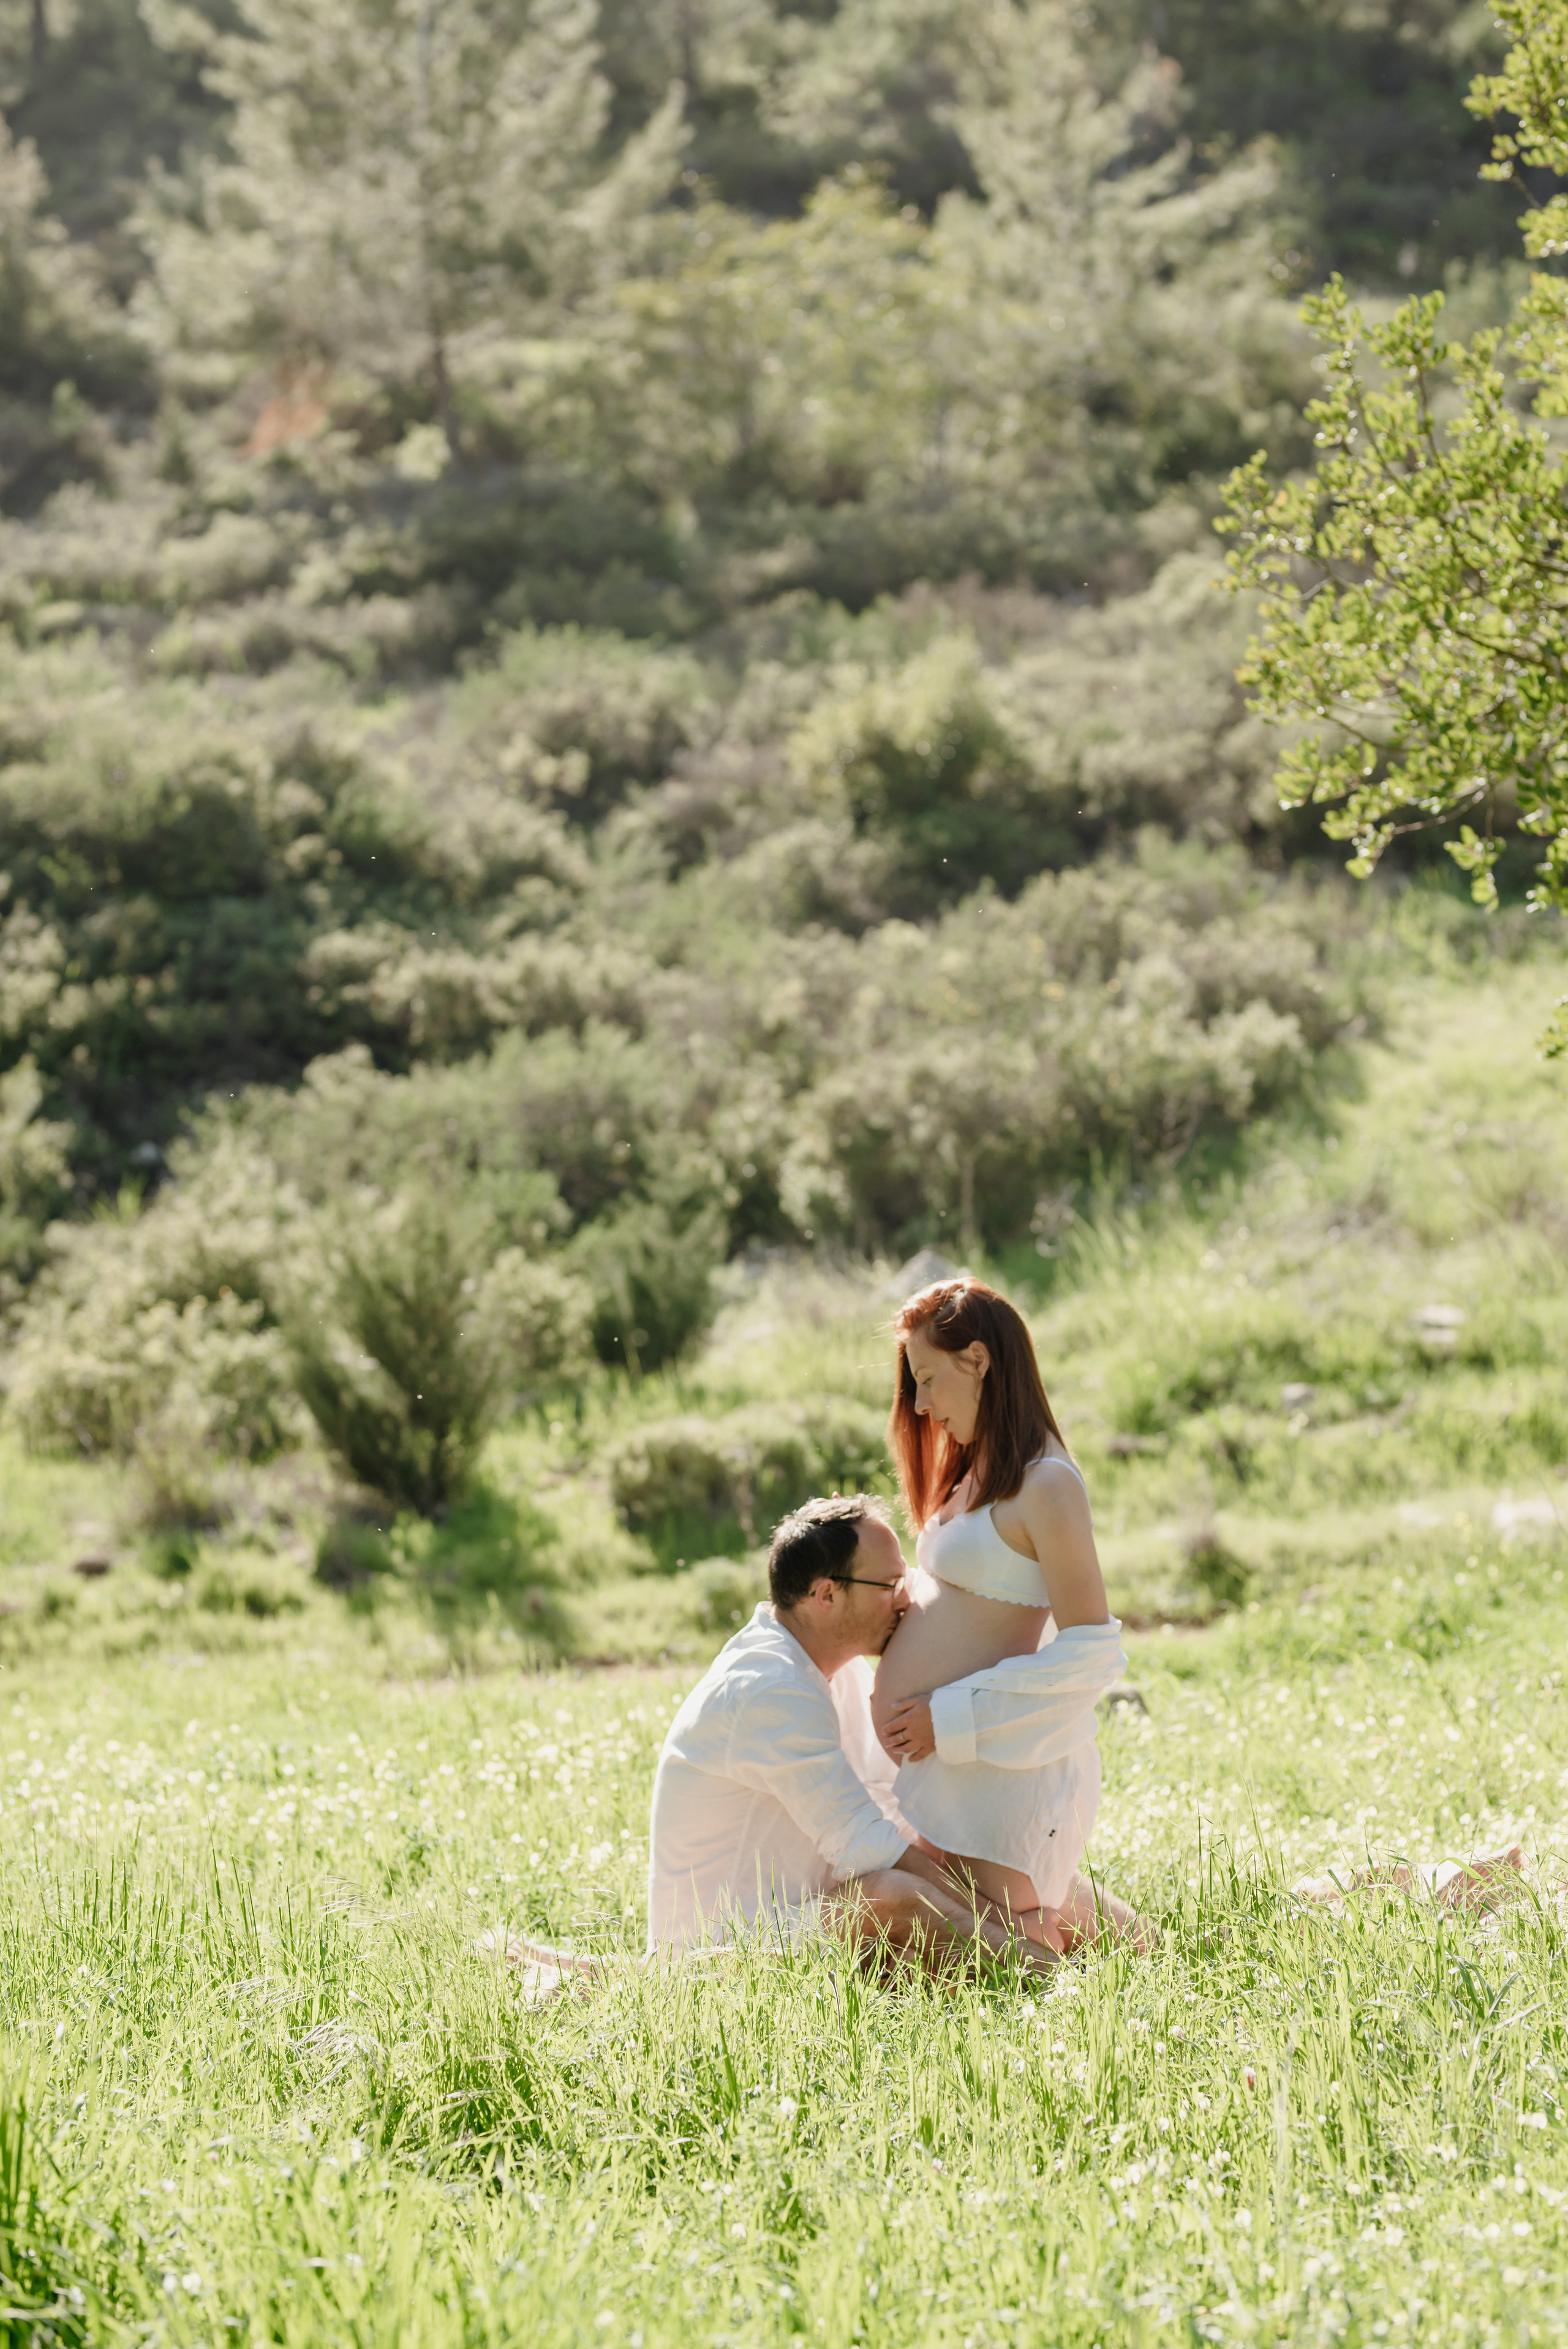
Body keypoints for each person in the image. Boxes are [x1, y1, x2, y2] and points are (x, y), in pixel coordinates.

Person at [483, 1496, 1076, 1993]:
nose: (906, 1598)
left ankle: (1127, 1953)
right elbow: (866, 1845)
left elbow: (897, 1810)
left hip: (801, 1921)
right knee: (892, 1895)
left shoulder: (833, 1672)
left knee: (1018, 1881)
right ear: (826, 1595)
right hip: (730, 1947)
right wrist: (1000, 1920)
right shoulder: (768, 1688)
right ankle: (1055, 1986)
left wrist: (1008, 1873)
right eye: (891, 1583)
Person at [871, 1275, 1152, 1954]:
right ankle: (1148, 1954)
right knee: (953, 1957)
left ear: (978, 1360)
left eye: (929, 1378)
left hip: (996, 1767)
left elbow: (1092, 1652)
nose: (920, 1402)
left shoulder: (1046, 1483)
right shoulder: (977, 1473)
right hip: (953, 1771)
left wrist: (952, 1715)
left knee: (1009, 1957)